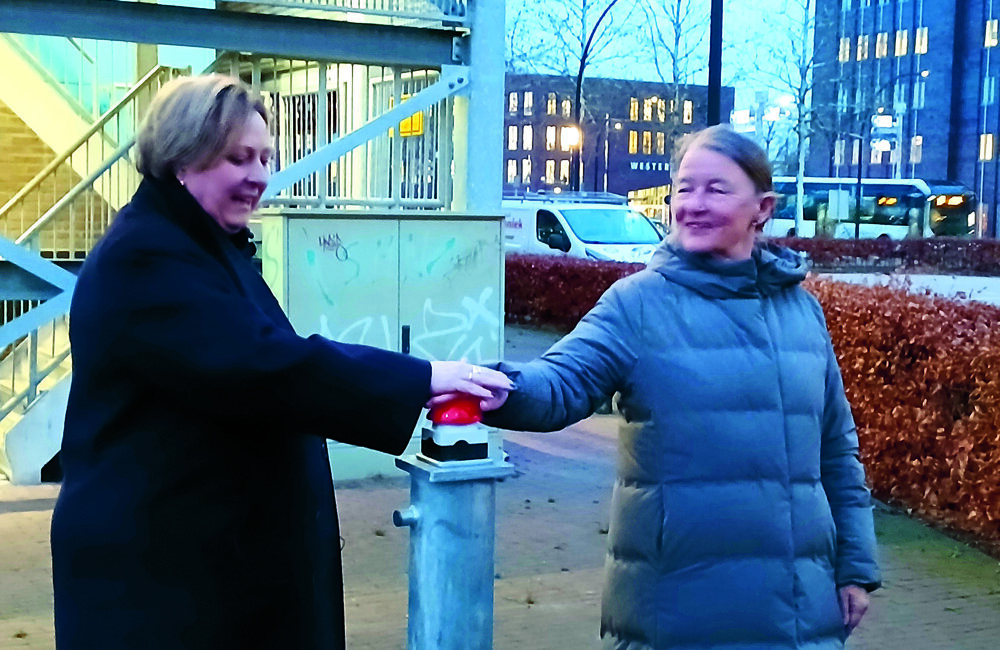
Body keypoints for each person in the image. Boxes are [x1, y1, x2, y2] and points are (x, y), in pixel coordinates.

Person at [49, 74, 512, 650]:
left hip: (205, 576)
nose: (260, 177)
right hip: (166, 592)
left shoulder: (197, 245)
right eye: (238, 158)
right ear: (181, 161)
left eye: (266, 157)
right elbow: (262, 368)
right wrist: (420, 379)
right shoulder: (146, 258)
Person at [484, 125, 880, 649]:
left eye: (716, 189)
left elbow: (836, 450)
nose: (693, 203)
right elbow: (562, 381)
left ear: (762, 207)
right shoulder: (637, 303)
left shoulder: (801, 311)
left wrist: (855, 566)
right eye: (684, 188)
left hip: (801, 614)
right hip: (675, 611)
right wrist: (502, 387)